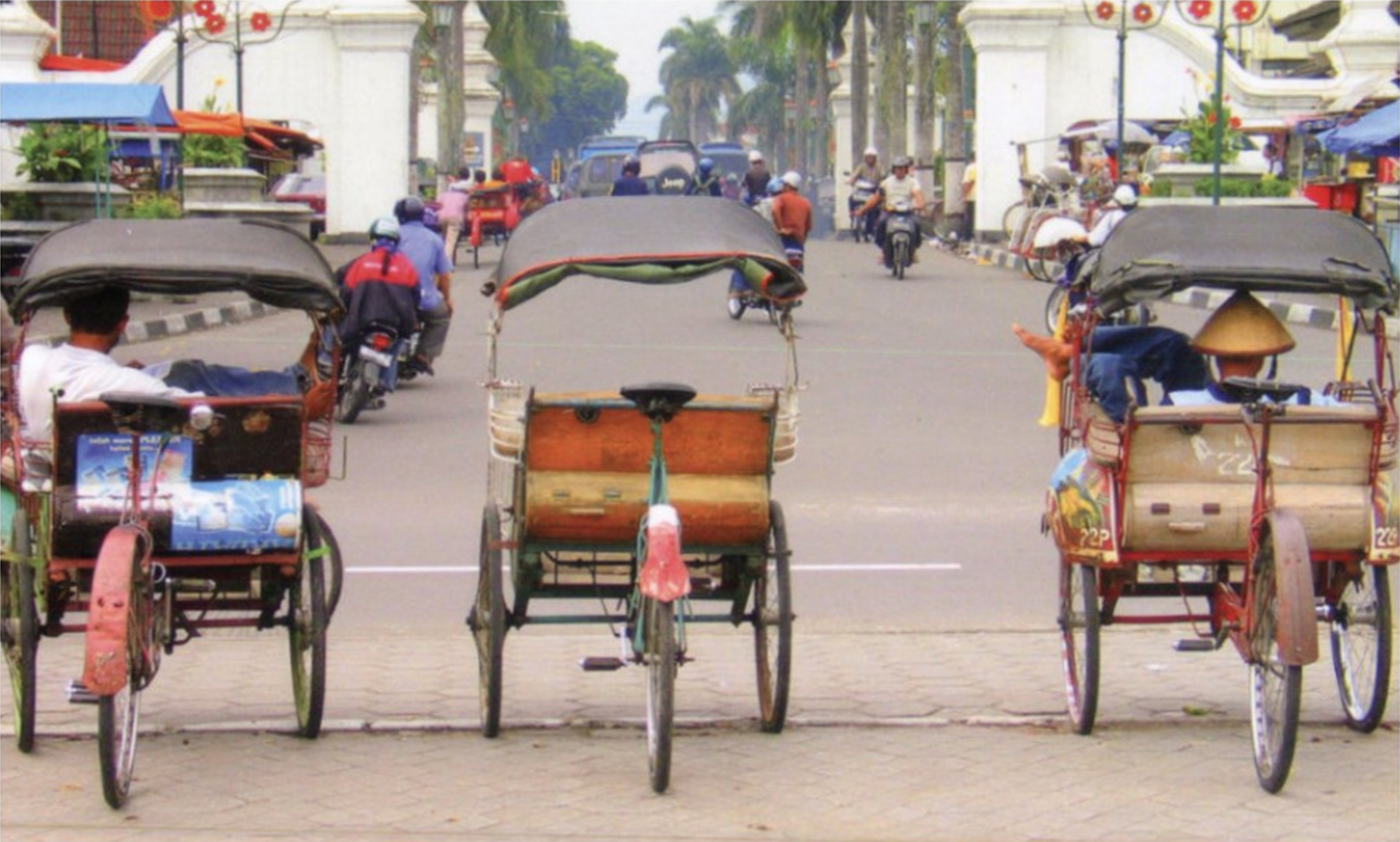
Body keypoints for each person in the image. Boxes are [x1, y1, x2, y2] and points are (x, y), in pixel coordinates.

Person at [18, 286, 332, 443]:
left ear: (67, 316)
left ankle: (294, 379)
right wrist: (300, 412)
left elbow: (83, 374)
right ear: (123, 323)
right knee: (189, 374)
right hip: (128, 462)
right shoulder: (130, 386)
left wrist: (123, 372)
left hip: (59, 454)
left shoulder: (33, 358)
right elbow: (211, 413)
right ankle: (295, 386)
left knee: (179, 370)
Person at [1013, 290, 1331, 423]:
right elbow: (1350, 412)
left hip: (1182, 436)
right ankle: (1071, 353)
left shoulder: (1180, 405)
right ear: (1263, 360)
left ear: (1215, 357)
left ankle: (1073, 354)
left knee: (1162, 349)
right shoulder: (1303, 400)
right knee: (1171, 346)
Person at [336, 216, 421, 350]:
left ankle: (326, 358)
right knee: (401, 350)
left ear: (373, 239)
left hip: (360, 324)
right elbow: (416, 297)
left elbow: (346, 291)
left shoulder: (361, 262)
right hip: (397, 326)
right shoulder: (406, 265)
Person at [393, 196, 454, 376]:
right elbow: (445, 276)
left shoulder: (392, 236)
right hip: (425, 300)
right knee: (441, 318)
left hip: (391, 298)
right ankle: (423, 357)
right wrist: (448, 300)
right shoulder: (434, 239)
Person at [858, 155, 925, 263]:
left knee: (917, 224)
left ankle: (913, 251)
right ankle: (884, 252)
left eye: (902, 168)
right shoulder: (886, 182)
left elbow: (918, 196)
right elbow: (876, 198)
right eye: (897, 168)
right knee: (881, 224)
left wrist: (920, 205)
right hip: (890, 212)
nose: (900, 171)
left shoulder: (913, 182)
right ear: (894, 169)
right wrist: (863, 209)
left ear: (906, 169)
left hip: (907, 212)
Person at [1078, 183, 1138, 247]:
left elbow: (1093, 240)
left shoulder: (1113, 216)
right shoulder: (1139, 216)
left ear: (1116, 201)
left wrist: (1074, 237)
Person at [770, 171, 813, 258]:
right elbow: (809, 226)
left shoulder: (781, 198)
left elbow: (775, 210)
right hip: (798, 243)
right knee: (798, 265)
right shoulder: (806, 203)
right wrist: (802, 239)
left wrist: (781, 228)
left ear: (787, 185)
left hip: (783, 241)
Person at [436, 171, 472, 263]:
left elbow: (437, 205)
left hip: (442, 217)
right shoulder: (464, 197)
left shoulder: (443, 195)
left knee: (445, 239)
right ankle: (446, 264)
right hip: (455, 219)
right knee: (450, 242)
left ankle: (442, 259)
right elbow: (467, 211)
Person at [959, 154, 977, 246]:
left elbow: (969, 182)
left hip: (972, 197)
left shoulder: (971, 168)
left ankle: (967, 237)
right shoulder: (982, 166)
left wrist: (964, 195)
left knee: (969, 218)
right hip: (980, 198)